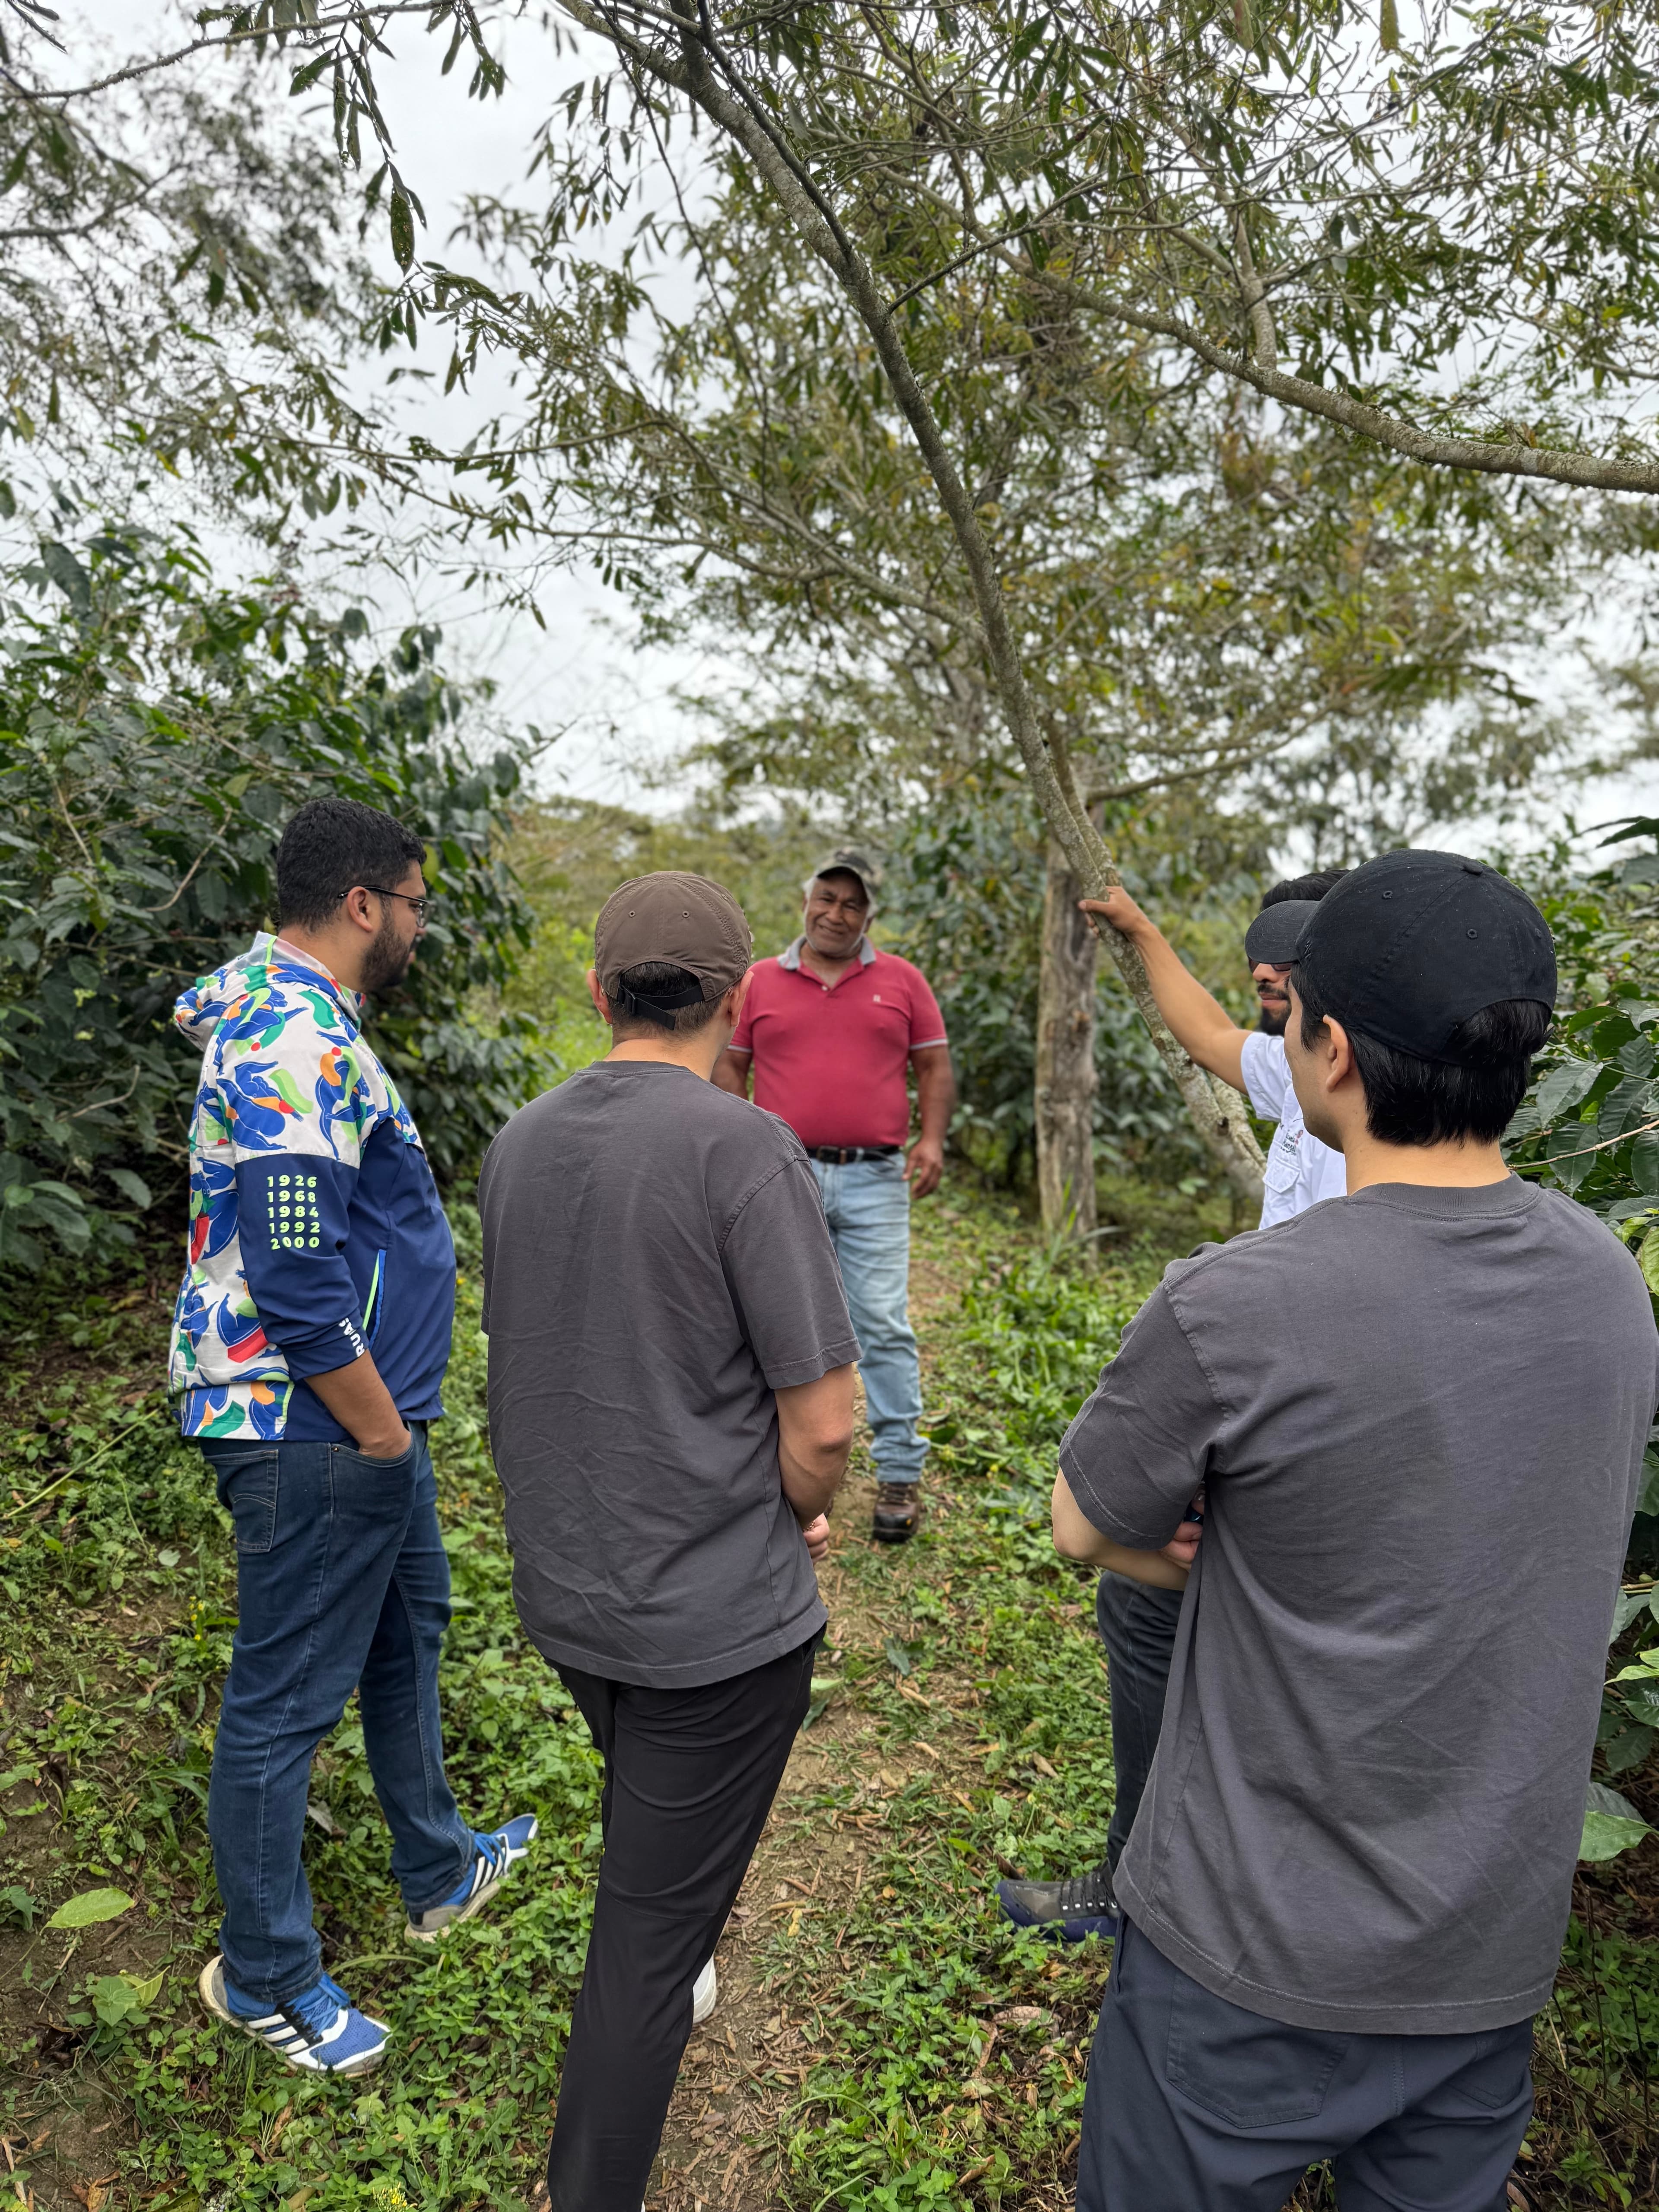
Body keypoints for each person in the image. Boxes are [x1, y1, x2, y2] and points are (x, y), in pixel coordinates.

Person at [1052, 850, 1657, 2211]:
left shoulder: (1235, 1303)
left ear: (1326, 1049)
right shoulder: (1613, 1289)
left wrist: (1201, 1559)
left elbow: (1084, 1526)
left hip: (1240, 1957)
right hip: (1485, 1963)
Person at [478, 871, 858, 2212]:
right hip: (710, 1629)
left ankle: (675, 1933)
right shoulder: (740, 1148)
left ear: (599, 994)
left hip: (571, 1597)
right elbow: (823, 1419)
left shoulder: (518, 1142)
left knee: (652, 1831)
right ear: (738, 996)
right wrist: (798, 1500)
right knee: (642, 1951)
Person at [170, 796, 536, 2079]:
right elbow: (296, 1274)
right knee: (282, 1704)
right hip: (314, 1419)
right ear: (366, 902)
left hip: (362, 1417)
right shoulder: (286, 1036)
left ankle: (437, 1868)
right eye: (419, 904)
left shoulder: (313, 1022)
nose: (423, 929)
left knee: (407, 1628)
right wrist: (383, 1438)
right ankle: (264, 1975)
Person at [997, 868, 1348, 1944]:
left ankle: (1148, 1886)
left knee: (1154, 1604)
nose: (1264, 992)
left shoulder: (1356, 1122)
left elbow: (1078, 1524)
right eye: (1259, 976)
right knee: (1164, 1607)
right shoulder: (1306, 1081)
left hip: (1311, 1422)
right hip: (1277, 1408)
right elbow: (1203, 1030)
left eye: (1284, 978)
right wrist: (1145, 929)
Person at [714, 849, 954, 1545]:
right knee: (768, 1317)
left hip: (877, 1175)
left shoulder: (902, 981)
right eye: (827, 898)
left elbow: (934, 1065)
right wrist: (745, 1145)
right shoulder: (757, 981)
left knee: (879, 1320)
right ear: (806, 903)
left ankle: (900, 1470)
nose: (836, 913)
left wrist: (931, 1140)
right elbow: (730, 1066)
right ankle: (769, 1473)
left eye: (852, 904)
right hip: (780, 1175)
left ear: (868, 915)